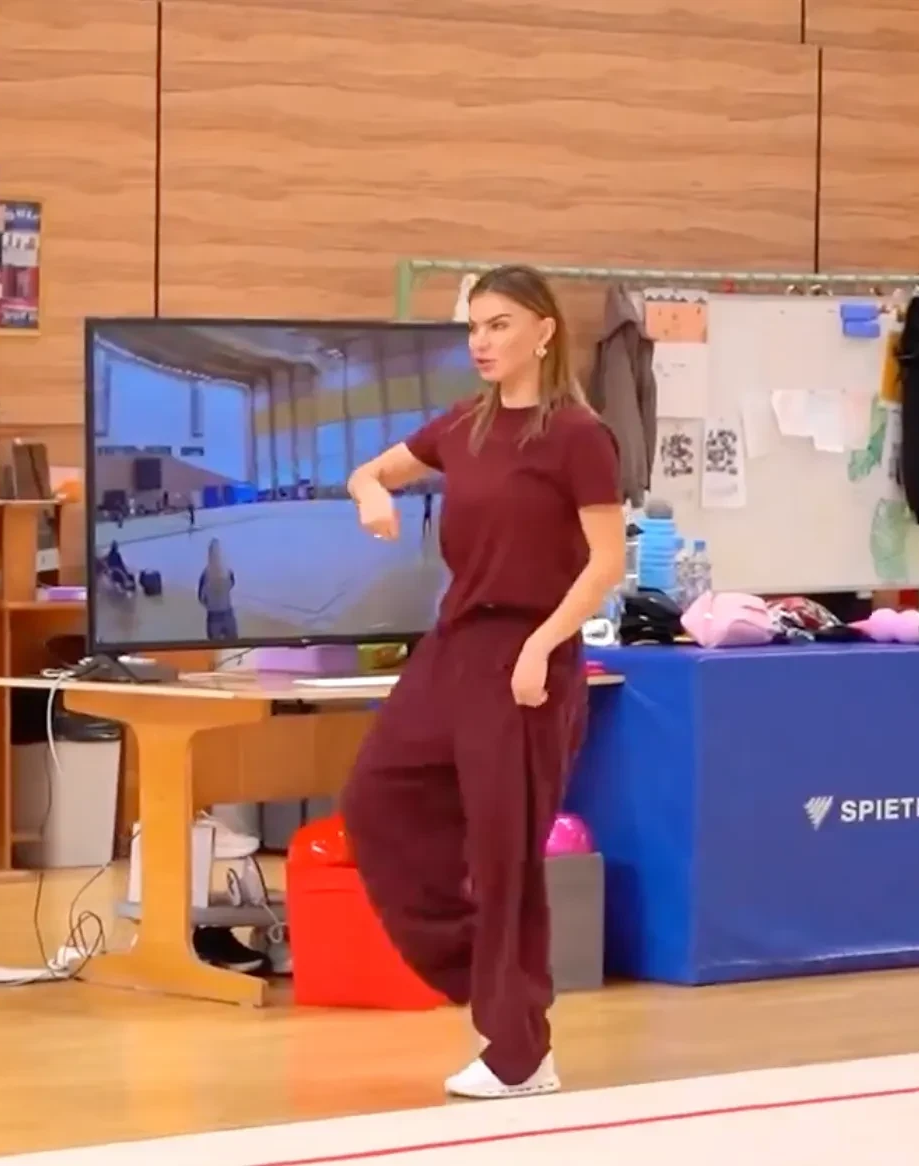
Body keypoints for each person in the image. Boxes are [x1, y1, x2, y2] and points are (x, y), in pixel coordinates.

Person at [338, 265, 625, 1100]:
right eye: (473, 326)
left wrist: (542, 646)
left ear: (543, 331)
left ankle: (519, 1054)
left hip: (530, 654)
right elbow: (370, 471)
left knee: (504, 854)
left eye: (498, 324)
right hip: (454, 646)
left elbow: (606, 562)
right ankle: (484, 971)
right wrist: (369, 495)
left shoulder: (578, 436)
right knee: (376, 796)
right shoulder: (462, 423)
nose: (481, 341)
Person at [197, 538, 238, 640]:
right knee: (233, 643)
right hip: (228, 613)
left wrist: (210, 602)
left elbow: (201, 598)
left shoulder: (205, 574)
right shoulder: (228, 571)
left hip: (213, 615)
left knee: (215, 645)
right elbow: (232, 584)